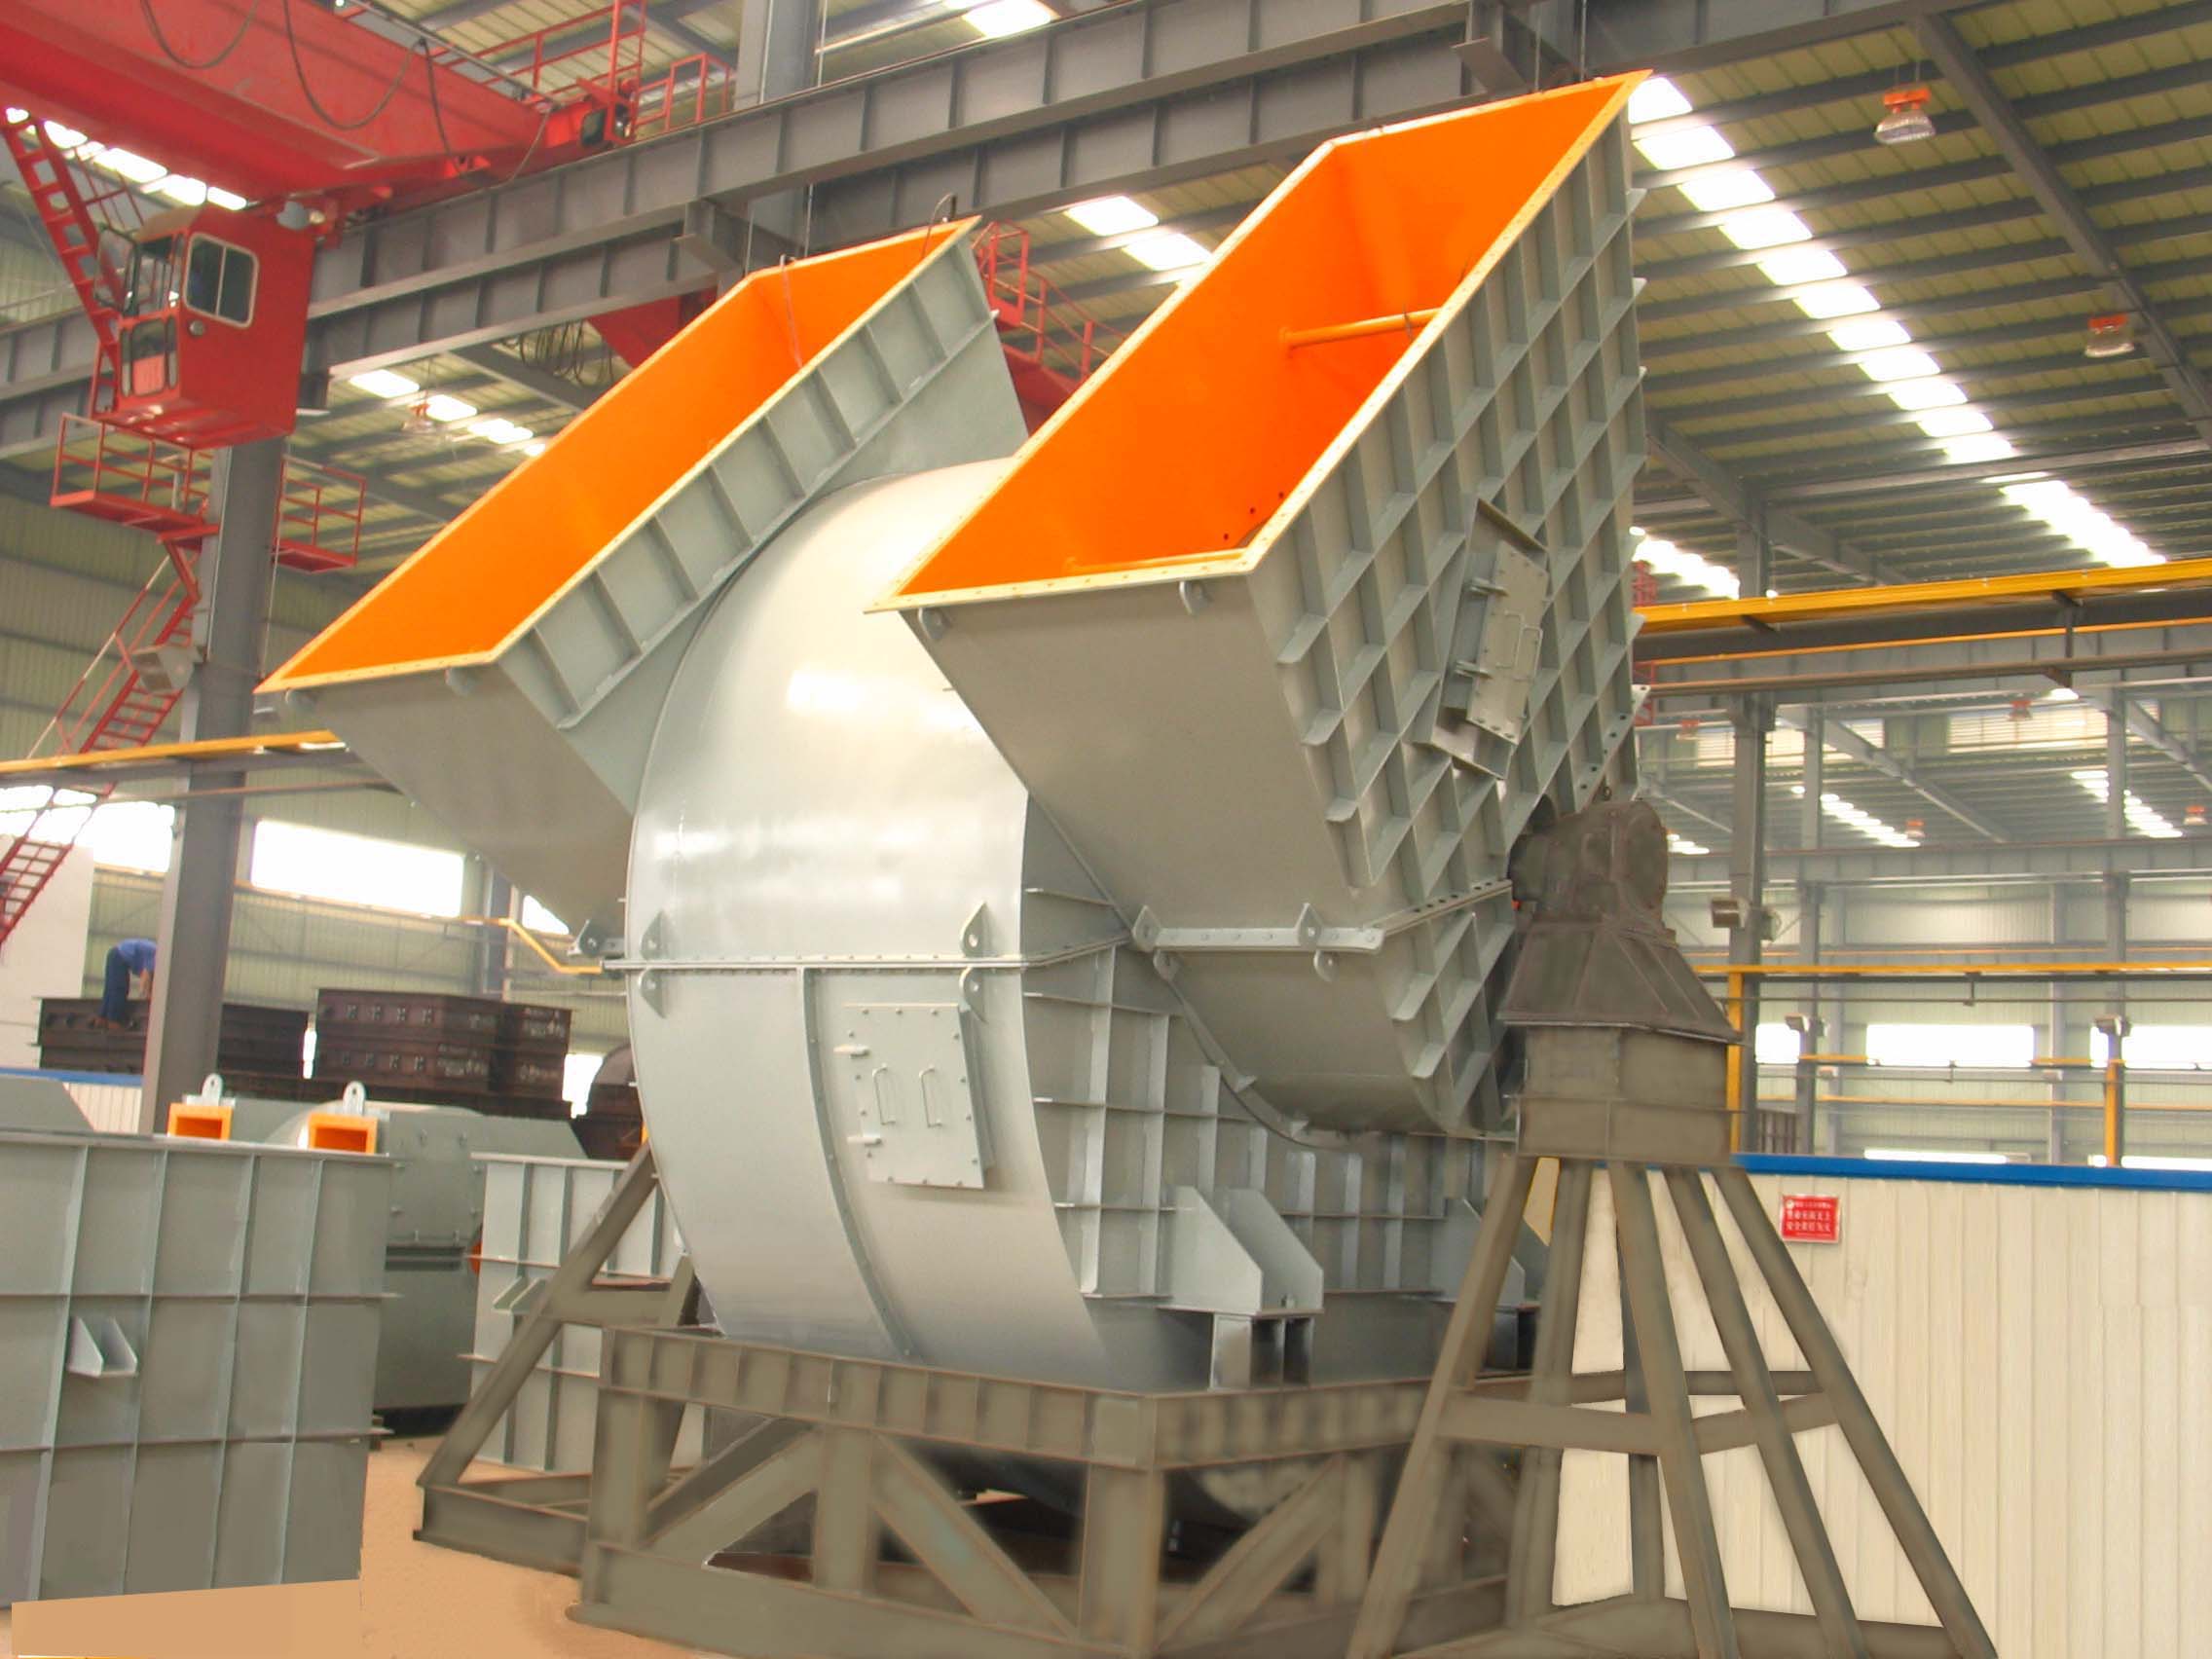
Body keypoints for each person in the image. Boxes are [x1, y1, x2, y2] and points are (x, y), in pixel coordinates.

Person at [97, 937, 157, 1027]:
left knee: (110, 989)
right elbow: (146, 978)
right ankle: (114, 1021)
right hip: (119, 956)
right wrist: (146, 994)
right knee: (119, 989)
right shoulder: (155, 955)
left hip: (115, 953)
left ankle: (102, 1018)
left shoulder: (154, 953)